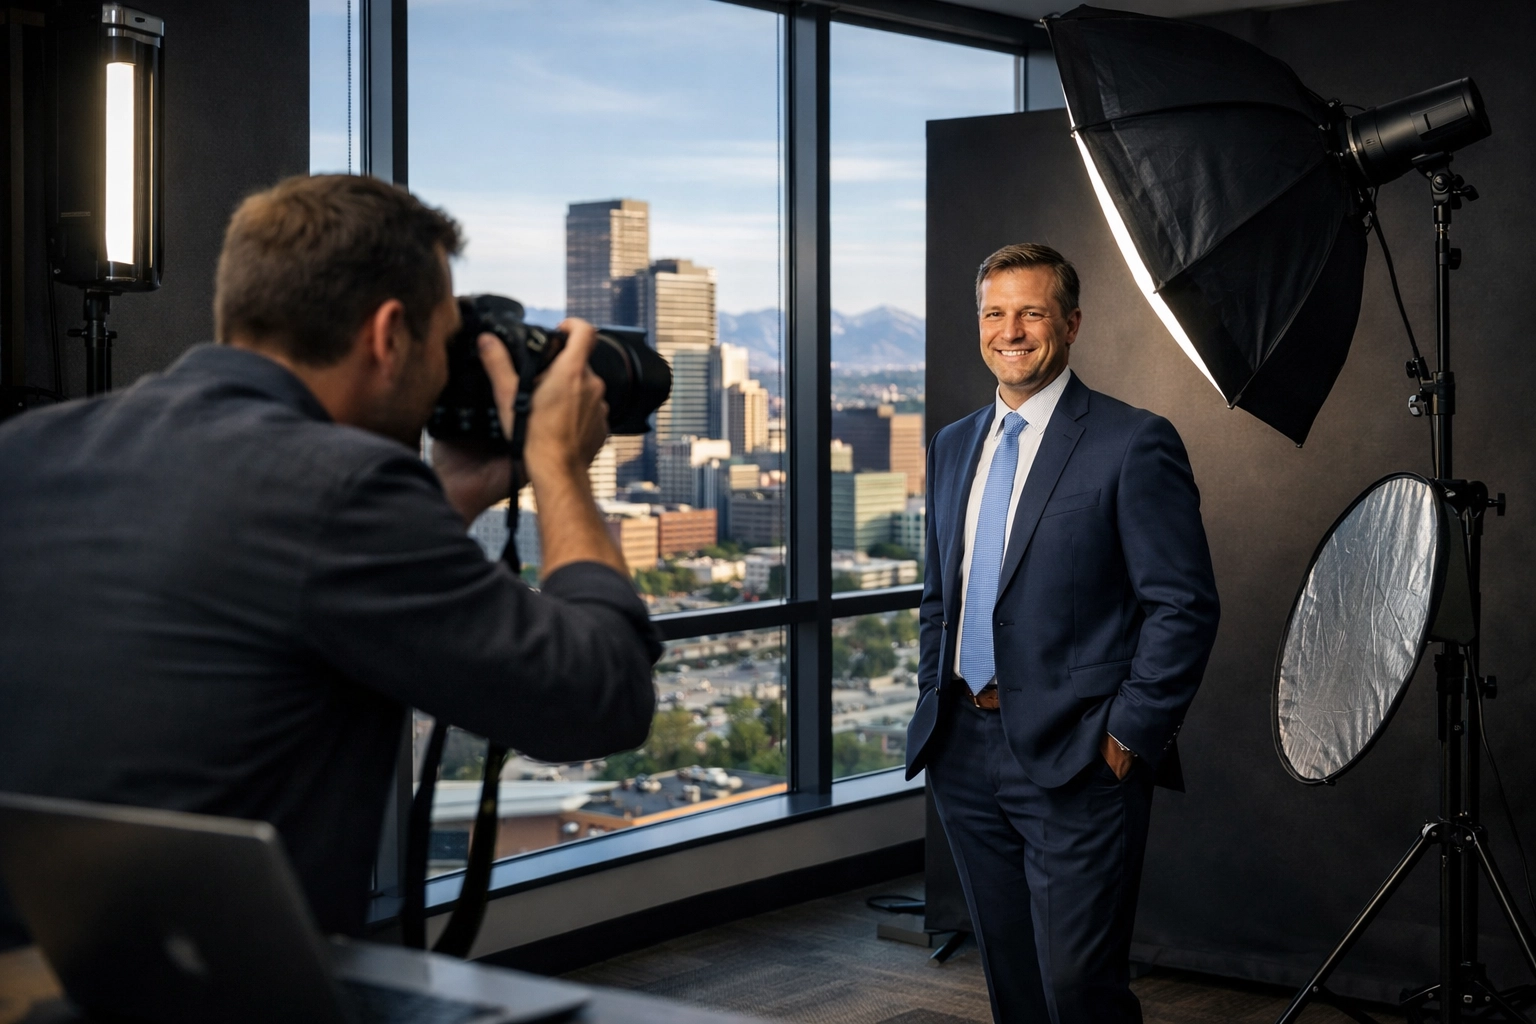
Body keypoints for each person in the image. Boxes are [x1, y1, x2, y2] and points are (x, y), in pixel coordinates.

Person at [0, 174, 660, 949]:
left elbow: (294, 600)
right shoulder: (341, 488)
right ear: (387, 335)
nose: (449, 373)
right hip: (218, 995)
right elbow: (601, 695)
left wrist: (446, 498)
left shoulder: (27, 450)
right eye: (444, 341)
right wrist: (559, 467)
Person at [906, 244, 1220, 1023]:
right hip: (963, 749)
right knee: (1013, 985)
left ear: (1071, 324)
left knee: (1079, 991)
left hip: (1079, 757)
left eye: (1031, 312)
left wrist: (1126, 737)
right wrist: (931, 697)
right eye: (994, 313)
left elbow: (1183, 606)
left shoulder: (1132, 441)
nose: (1010, 331)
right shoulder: (952, 445)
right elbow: (939, 595)